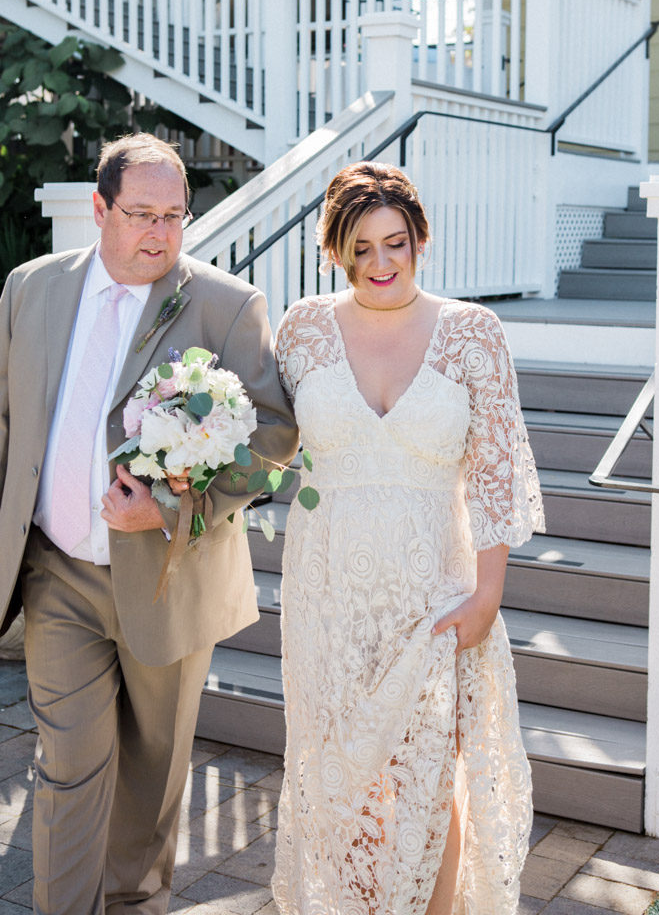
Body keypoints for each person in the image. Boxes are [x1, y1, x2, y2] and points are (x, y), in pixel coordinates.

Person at [0, 133, 299, 915]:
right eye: (140, 214)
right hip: (56, 570)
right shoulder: (29, 289)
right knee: (67, 768)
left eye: (174, 216)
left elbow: (272, 439)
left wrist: (168, 505)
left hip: (169, 578)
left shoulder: (227, 306)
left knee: (151, 781)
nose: (159, 234)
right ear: (99, 209)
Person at [271, 161, 544, 915]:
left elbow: (495, 471)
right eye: (361, 249)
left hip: (436, 588)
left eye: (396, 243)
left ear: (421, 238)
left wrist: (489, 592)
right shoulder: (302, 329)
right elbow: (265, 442)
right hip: (327, 588)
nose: (381, 263)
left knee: (429, 770)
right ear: (336, 251)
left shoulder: (472, 333)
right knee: (341, 772)